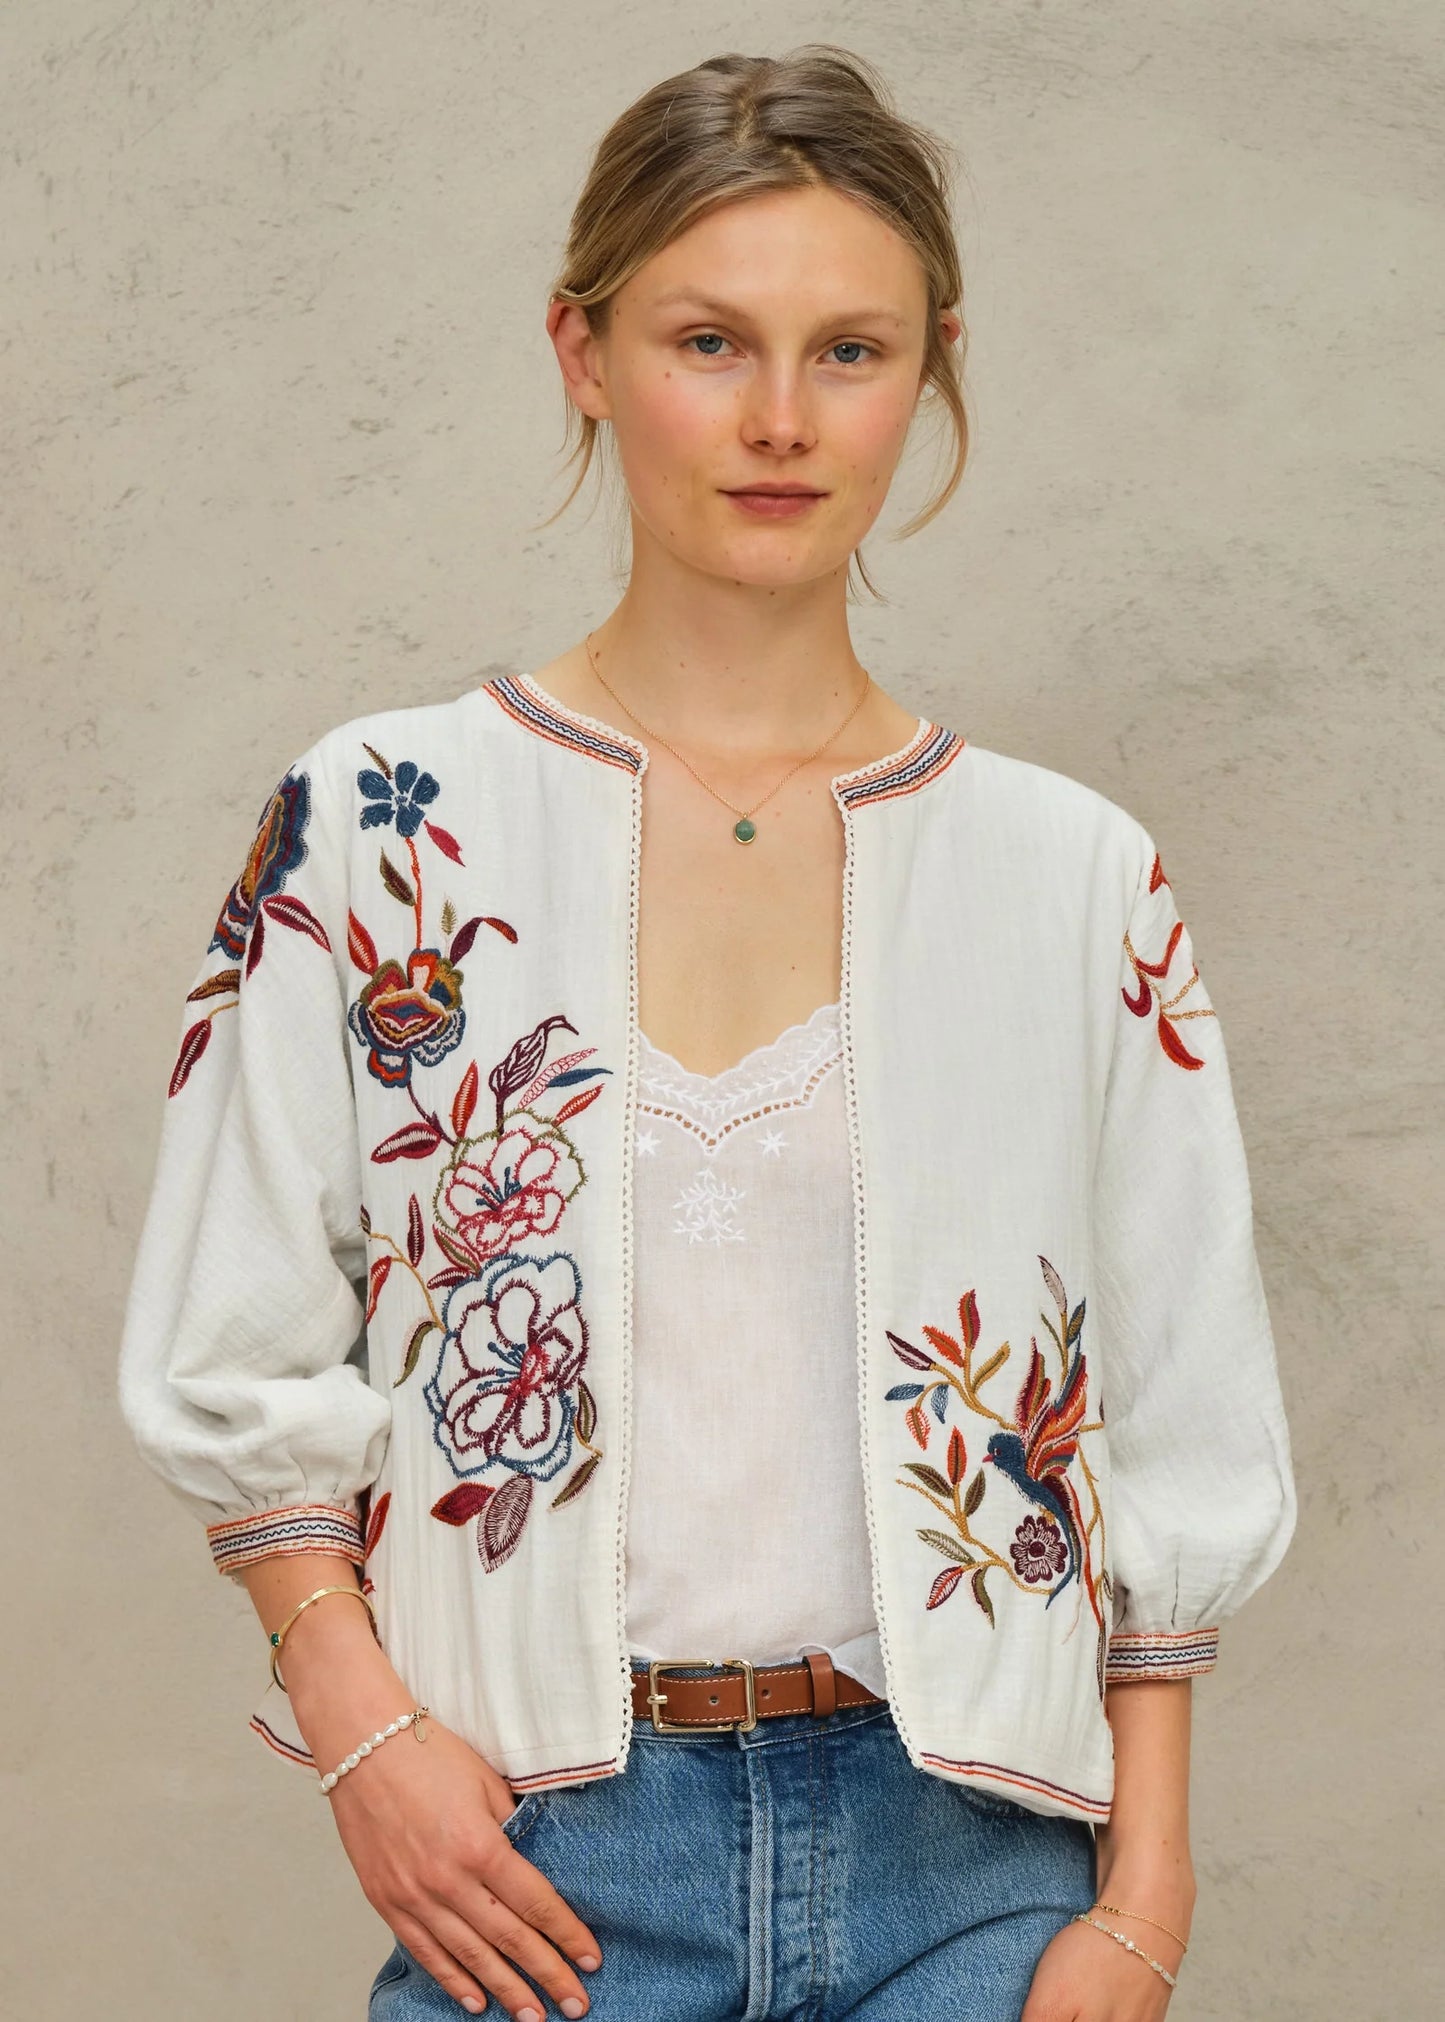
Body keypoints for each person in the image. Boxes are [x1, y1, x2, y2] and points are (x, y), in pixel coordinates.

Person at [116, 43, 1297, 2022]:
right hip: (547, 1869)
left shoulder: (1072, 877)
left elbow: (1177, 1408)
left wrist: (1143, 1904)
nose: (777, 418)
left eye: (849, 350)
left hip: (978, 1875)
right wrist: (362, 1731)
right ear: (582, 352)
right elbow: (235, 1331)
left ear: (930, 372)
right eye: (707, 340)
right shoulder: (385, 820)